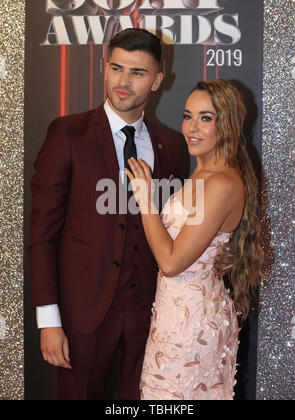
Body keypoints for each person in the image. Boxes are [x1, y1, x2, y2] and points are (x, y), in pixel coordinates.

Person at [28, 28, 183, 400]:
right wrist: (49, 321)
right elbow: (42, 235)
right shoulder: (68, 134)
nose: (123, 82)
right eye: (116, 68)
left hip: (150, 316)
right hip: (84, 316)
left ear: (158, 80)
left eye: (137, 73)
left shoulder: (172, 145)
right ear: (105, 67)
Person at [125, 79, 264, 400]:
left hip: (193, 325)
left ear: (227, 125)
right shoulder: (201, 175)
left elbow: (172, 262)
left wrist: (146, 199)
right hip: (173, 315)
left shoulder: (221, 184)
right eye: (188, 116)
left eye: (206, 118)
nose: (191, 127)